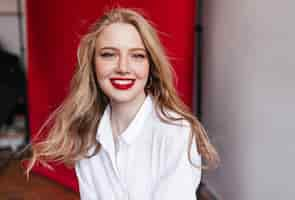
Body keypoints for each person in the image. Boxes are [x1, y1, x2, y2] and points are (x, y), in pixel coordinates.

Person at [27, 8, 219, 200]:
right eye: (109, 54)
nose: (123, 68)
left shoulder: (175, 132)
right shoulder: (87, 134)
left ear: (150, 66)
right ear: (93, 65)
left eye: (137, 56)